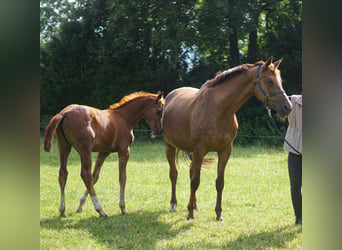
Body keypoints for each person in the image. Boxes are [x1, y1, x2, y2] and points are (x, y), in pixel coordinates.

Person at [284, 94, 302, 226]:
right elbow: (276, 103)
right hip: (294, 148)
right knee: (295, 185)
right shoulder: (292, 101)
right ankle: (299, 217)